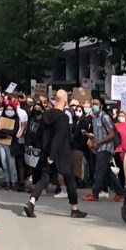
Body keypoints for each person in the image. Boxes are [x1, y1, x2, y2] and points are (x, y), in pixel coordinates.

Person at [23, 90, 88, 218]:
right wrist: (52, 155)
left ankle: (31, 202)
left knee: (44, 179)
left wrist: (44, 151)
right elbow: (58, 138)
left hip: (46, 151)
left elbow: (39, 134)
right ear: (65, 100)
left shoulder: (46, 115)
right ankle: (74, 208)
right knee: (69, 180)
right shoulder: (63, 117)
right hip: (60, 153)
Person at [83, 96, 124, 202]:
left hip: (105, 147)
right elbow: (100, 134)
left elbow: (111, 134)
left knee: (99, 170)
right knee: (106, 171)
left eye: (96, 104)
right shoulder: (95, 118)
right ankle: (120, 192)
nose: (93, 106)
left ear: (101, 105)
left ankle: (95, 193)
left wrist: (98, 142)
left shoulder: (105, 117)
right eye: (93, 104)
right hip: (99, 147)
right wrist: (90, 137)